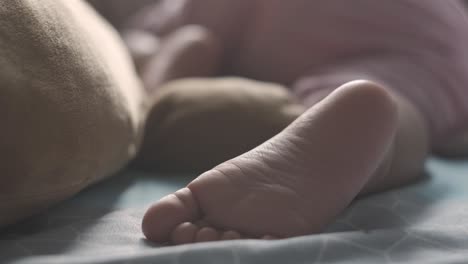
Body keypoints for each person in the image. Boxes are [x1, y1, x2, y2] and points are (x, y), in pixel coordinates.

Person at [89, 0, 468, 244]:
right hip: (435, 28)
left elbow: (145, 30)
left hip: (272, 17)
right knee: (411, 99)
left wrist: (157, 48)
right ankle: (383, 118)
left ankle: (166, 86)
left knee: (143, 44)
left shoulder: (175, 12)